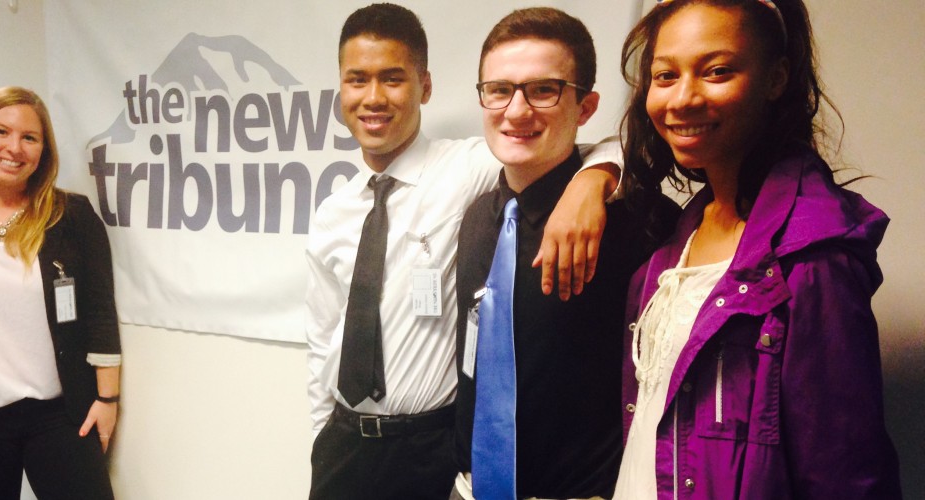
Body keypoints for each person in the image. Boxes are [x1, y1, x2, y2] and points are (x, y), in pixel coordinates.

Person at [305, 4, 624, 499]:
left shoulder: (470, 164)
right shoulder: (333, 212)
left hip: (431, 446)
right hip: (343, 447)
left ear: (425, 87)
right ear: (340, 90)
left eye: (392, 79)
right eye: (357, 80)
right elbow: (322, 339)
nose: (373, 98)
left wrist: (593, 179)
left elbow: (588, 143)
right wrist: (321, 435)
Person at [613, 0, 902, 498]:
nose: (682, 98)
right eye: (665, 76)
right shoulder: (672, 244)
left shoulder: (811, 255)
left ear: (776, 79)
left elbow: (846, 473)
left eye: (717, 71)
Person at [452, 8, 680, 500]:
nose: (516, 111)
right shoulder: (475, 219)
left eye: (543, 89)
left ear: (586, 107)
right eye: (499, 89)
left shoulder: (633, 223)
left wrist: (600, 174)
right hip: (469, 488)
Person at [0, 86, 121, 500]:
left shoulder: (72, 216)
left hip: (56, 413)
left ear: (43, 151)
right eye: (1, 131)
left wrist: (108, 397)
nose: (14, 147)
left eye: (29, 138)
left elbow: (99, 314)